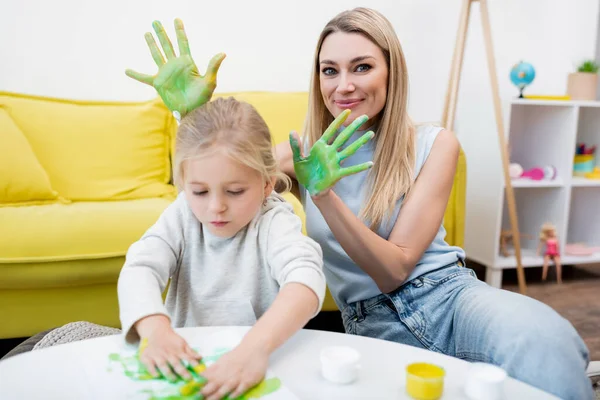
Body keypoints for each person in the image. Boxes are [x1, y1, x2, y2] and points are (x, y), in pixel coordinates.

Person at [130, 9, 594, 400]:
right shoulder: (301, 152)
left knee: (547, 342)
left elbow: (395, 269)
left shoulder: (436, 144)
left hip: (451, 300)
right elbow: (217, 186)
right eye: (330, 70)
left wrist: (324, 195)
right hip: (371, 324)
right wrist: (190, 114)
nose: (344, 85)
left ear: (392, 70)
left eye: (362, 67)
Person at [115, 93, 328, 399]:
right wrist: (156, 330)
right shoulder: (182, 214)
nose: (216, 207)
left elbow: (306, 278)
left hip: (258, 360)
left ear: (267, 184)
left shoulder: (273, 219)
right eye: (200, 191)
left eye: (235, 191)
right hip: (188, 363)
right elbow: (140, 268)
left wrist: (255, 348)